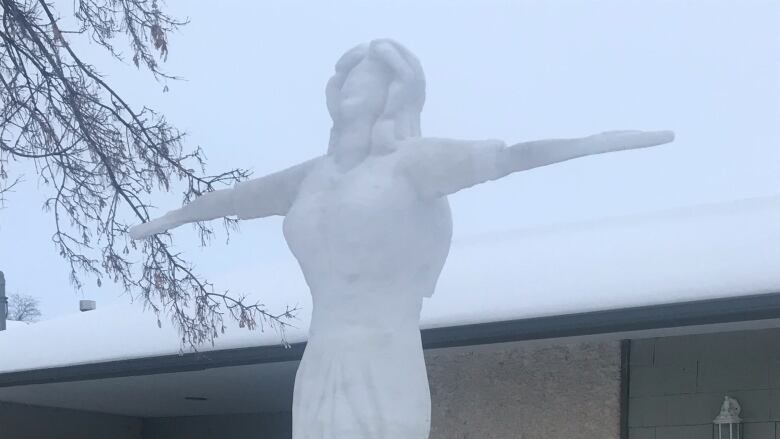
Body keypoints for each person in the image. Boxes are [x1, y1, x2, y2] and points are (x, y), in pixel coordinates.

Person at [130, 39, 674, 439]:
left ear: (394, 91)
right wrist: (172, 218)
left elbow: (510, 157)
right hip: (323, 355)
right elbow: (233, 200)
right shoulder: (311, 177)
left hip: (382, 351)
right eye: (346, 78)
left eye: (367, 78)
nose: (352, 86)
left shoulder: (412, 163)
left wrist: (600, 142)